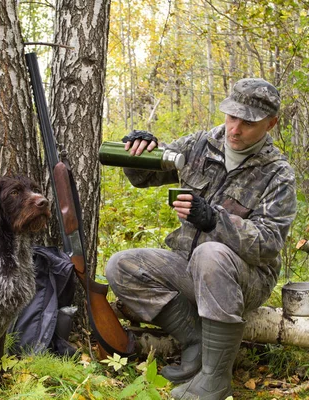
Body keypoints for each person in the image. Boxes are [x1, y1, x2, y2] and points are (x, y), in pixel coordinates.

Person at [105, 78, 297, 400]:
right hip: (189, 265)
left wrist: (214, 219)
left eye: (248, 123)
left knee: (211, 253)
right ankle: (195, 341)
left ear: (271, 124)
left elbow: (268, 244)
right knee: (121, 266)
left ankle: (215, 378)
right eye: (231, 116)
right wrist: (140, 150)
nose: (235, 129)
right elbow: (146, 176)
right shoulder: (202, 144)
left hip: (244, 279)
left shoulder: (277, 174)